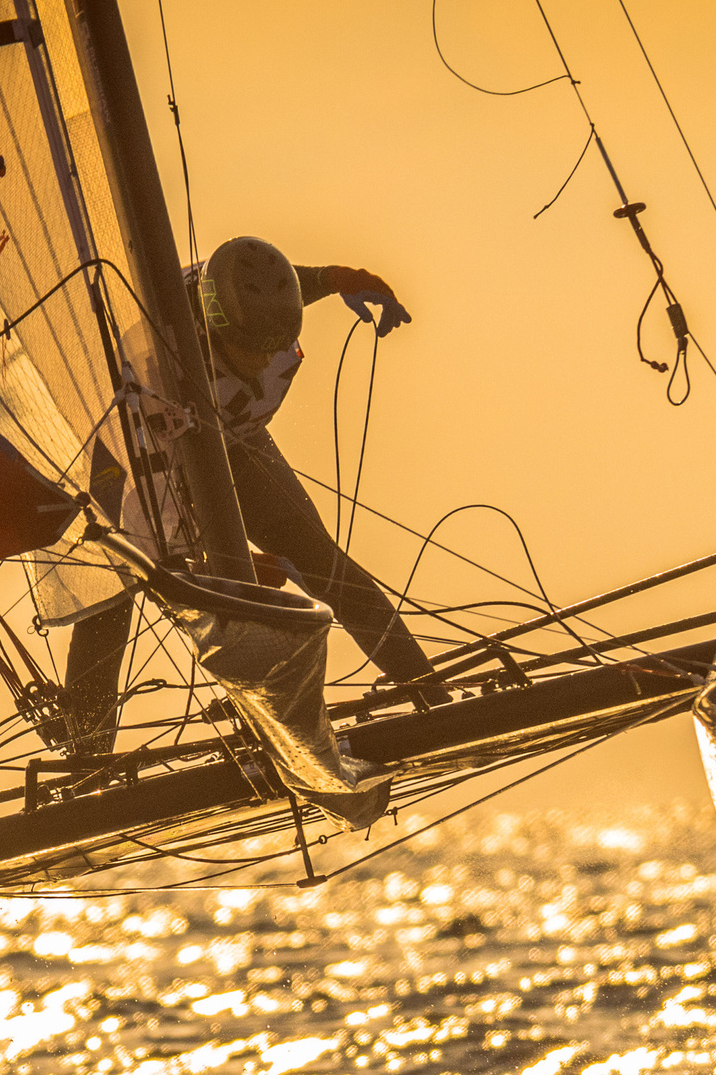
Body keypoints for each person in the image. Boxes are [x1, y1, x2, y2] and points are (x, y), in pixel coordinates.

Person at [61, 237, 443, 756]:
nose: (265, 357)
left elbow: (273, 285)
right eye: (253, 348)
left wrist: (338, 277)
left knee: (319, 559)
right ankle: (88, 754)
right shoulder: (153, 378)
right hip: (134, 452)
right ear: (217, 331)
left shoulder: (238, 299)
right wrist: (218, 563)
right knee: (112, 588)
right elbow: (156, 547)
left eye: (273, 344)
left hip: (230, 434)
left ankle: (432, 694)